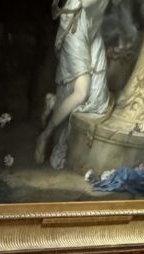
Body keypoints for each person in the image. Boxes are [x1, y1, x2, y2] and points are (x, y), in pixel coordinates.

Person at [36, 0, 112, 169]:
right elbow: (85, 3)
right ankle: (45, 135)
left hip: (93, 28)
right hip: (76, 28)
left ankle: (55, 101)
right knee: (81, 93)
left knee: (97, 97)